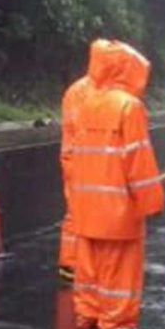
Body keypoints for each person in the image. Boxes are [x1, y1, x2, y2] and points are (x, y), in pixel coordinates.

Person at [69, 40, 165, 329]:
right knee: (119, 272)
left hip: (86, 207)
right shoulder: (129, 107)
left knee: (88, 271)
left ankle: (87, 320)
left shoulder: (84, 103)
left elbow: (73, 153)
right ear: (127, 69)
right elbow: (138, 159)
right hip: (118, 209)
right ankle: (117, 326)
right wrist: (151, 202)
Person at [58, 39, 110, 283]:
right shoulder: (98, 93)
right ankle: (79, 265)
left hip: (73, 158)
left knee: (76, 211)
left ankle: (72, 264)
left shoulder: (76, 89)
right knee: (89, 213)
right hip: (90, 161)